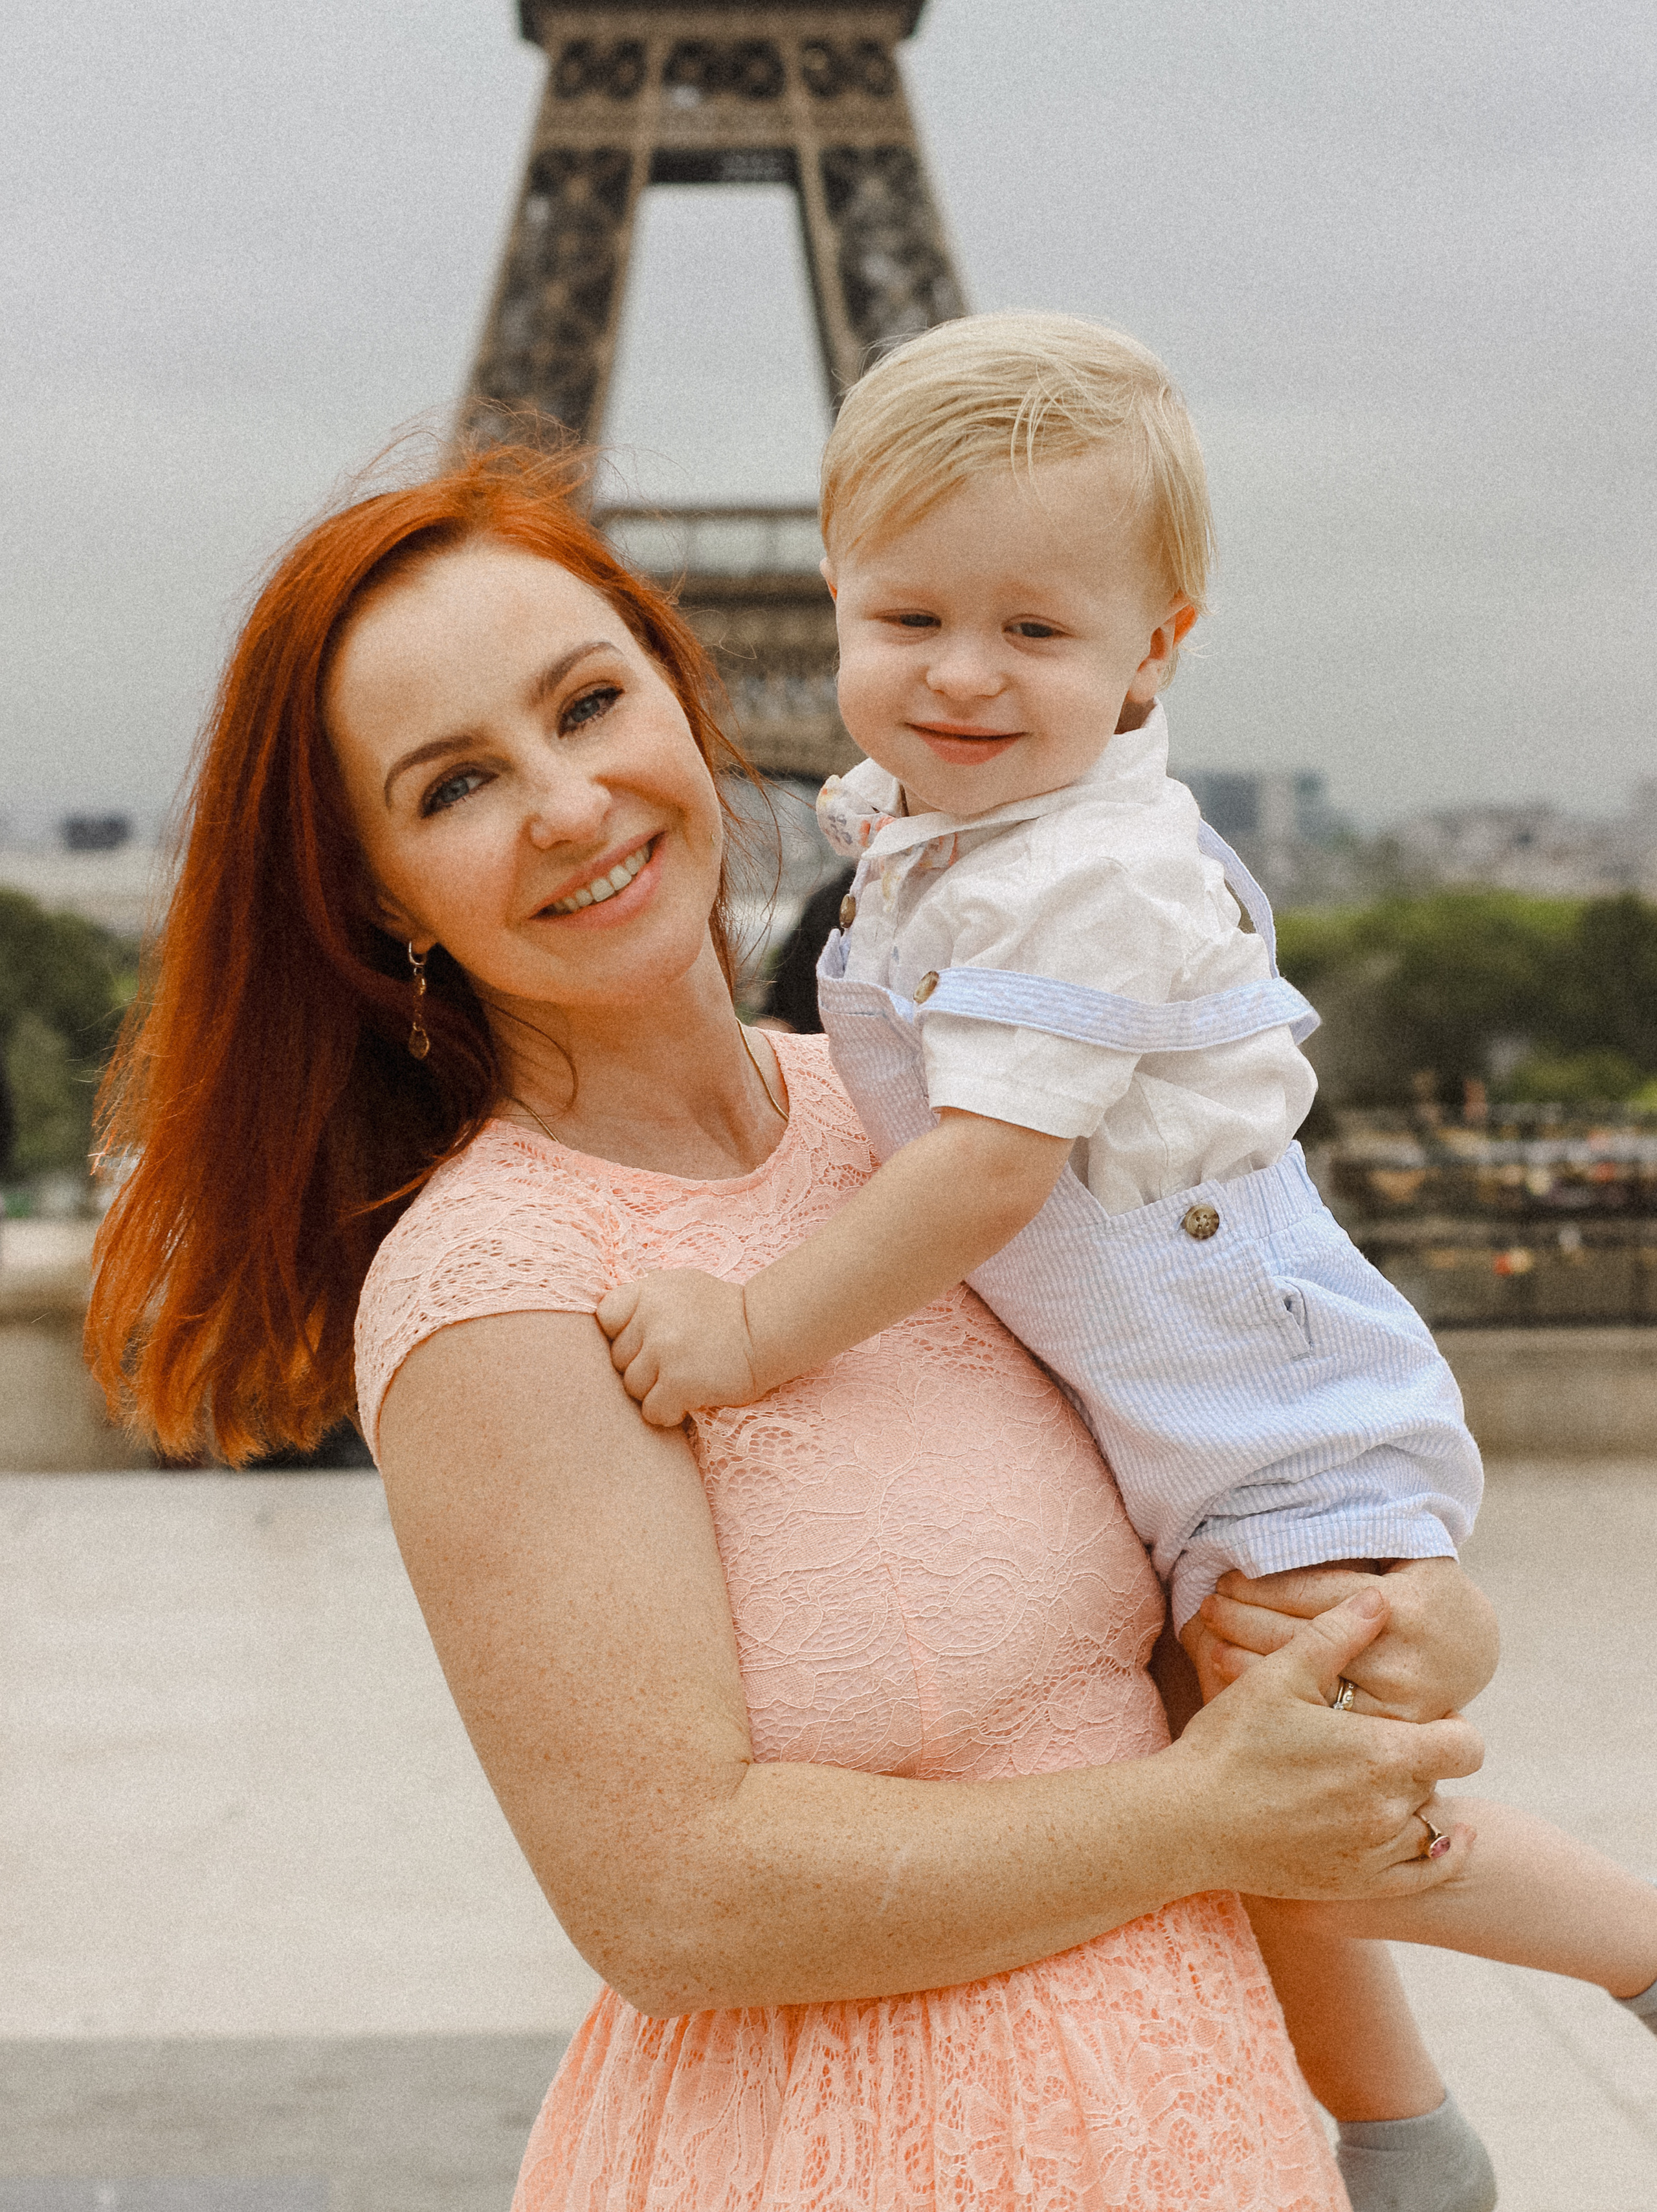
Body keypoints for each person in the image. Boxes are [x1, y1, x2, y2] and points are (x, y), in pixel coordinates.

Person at [86, 439, 1491, 2211]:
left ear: (684, 698)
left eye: (590, 703)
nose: (570, 803)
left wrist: (1384, 1613)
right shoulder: (498, 1293)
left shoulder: (922, 1124)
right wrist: (1204, 1818)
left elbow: (1186, 1541)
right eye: (454, 786)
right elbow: (672, 1892)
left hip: (1191, 2121)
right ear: (379, 895)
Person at [595, 315, 1657, 2210]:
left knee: (1303, 1790)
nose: (963, 673)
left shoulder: (1086, 869)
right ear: (837, 600)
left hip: (1274, 1424)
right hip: (1200, 1410)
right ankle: (1403, 2129)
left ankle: (1616, 1964)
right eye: (911, 619)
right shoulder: (945, 830)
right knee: (1247, 1780)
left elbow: (985, 1179)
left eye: (1034, 631)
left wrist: (753, 1328)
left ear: (1156, 649)